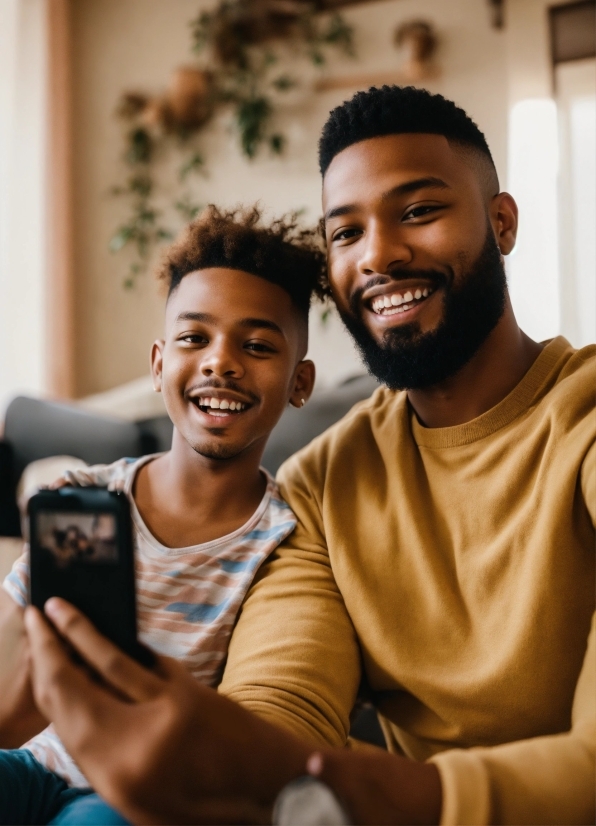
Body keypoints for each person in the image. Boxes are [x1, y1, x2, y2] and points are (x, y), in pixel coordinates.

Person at [15, 85, 596, 825]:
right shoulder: (323, 482)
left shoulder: (584, 418)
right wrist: (211, 759)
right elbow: (282, 702)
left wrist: (317, 781)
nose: (379, 254)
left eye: (419, 211)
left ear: (501, 221)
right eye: (345, 233)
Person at [0, 205, 324, 824]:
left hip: (138, 791)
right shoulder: (83, 495)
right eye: (194, 338)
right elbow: (14, 665)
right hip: (35, 760)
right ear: (158, 364)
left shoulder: (284, 544)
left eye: (256, 345)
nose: (219, 361)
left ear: (300, 383)